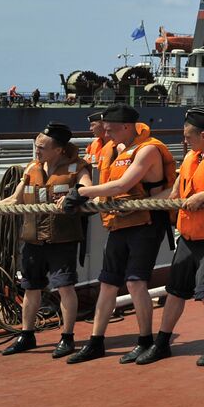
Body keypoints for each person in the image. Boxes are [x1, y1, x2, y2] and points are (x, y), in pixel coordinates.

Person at [65, 104, 179, 364]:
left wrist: (81, 193)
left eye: (111, 130)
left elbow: (124, 184)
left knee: (136, 282)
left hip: (146, 222)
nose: (106, 135)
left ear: (127, 127)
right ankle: (96, 341)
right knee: (107, 282)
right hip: (120, 222)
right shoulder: (114, 149)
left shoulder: (147, 149)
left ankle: (145, 340)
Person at [137, 107, 204, 366]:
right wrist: (143, 204)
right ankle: (162, 343)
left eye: (188, 136)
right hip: (188, 236)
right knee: (175, 291)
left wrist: (201, 197)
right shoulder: (191, 158)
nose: (184, 140)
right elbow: (175, 194)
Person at [0, 123, 90, 358]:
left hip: (62, 240)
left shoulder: (78, 168)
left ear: (59, 150)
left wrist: (74, 194)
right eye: (36, 145)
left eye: (42, 147)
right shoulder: (31, 168)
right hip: (32, 240)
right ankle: (27, 335)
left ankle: (67, 337)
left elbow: (86, 188)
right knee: (31, 288)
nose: (37, 151)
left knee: (65, 287)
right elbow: (14, 200)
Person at [84, 110, 110, 180]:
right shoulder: (94, 144)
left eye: (93, 125)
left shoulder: (118, 144)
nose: (90, 129)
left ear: (104, 124)